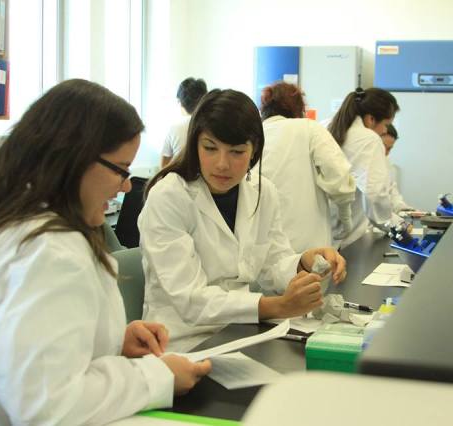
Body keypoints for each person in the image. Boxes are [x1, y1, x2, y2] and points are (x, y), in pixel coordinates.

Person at [0, 79, 211, 425]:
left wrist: (105, 342)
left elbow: (7, 348)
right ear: (73, 158)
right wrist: (158, 376)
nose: (125, 185)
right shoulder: (48, 250)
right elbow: (46, 407)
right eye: (121, 169)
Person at [139, 89, 347, 352]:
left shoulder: (262, 192)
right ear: (194, 144)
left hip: (241, 334)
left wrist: (303, 262)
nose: (222, 164)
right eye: (210, 148)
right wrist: (277, 306)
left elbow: (272, 264)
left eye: (237, 152)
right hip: (182, 343)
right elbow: (190, 300)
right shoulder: (169, 197)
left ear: (254, 151)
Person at [254, 81, 355, 252]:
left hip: (263, 250)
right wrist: (346, 222)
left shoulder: (253, 134)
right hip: (308, 248)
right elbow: (339, 178)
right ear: (299, 107)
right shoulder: (309, 128)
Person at [327, 87, 406, 248]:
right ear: (371, 119)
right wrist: (399, 227)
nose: (385, 130)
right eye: (386, 124)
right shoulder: (368, 139)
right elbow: (375, 194)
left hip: (325, 230)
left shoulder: (328, 126)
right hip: (345, 236)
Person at [161, 77, 208, 168]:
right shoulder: (211, 126)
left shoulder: (175, 128)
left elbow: (164, 165)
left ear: (180, 102)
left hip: (179, 177)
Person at [381, 124, 417, 213]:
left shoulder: (386, 161)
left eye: (389, 149)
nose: (386, 153)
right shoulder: (364, 160)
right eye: (384, 147)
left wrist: (404, 209)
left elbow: (392, 190)